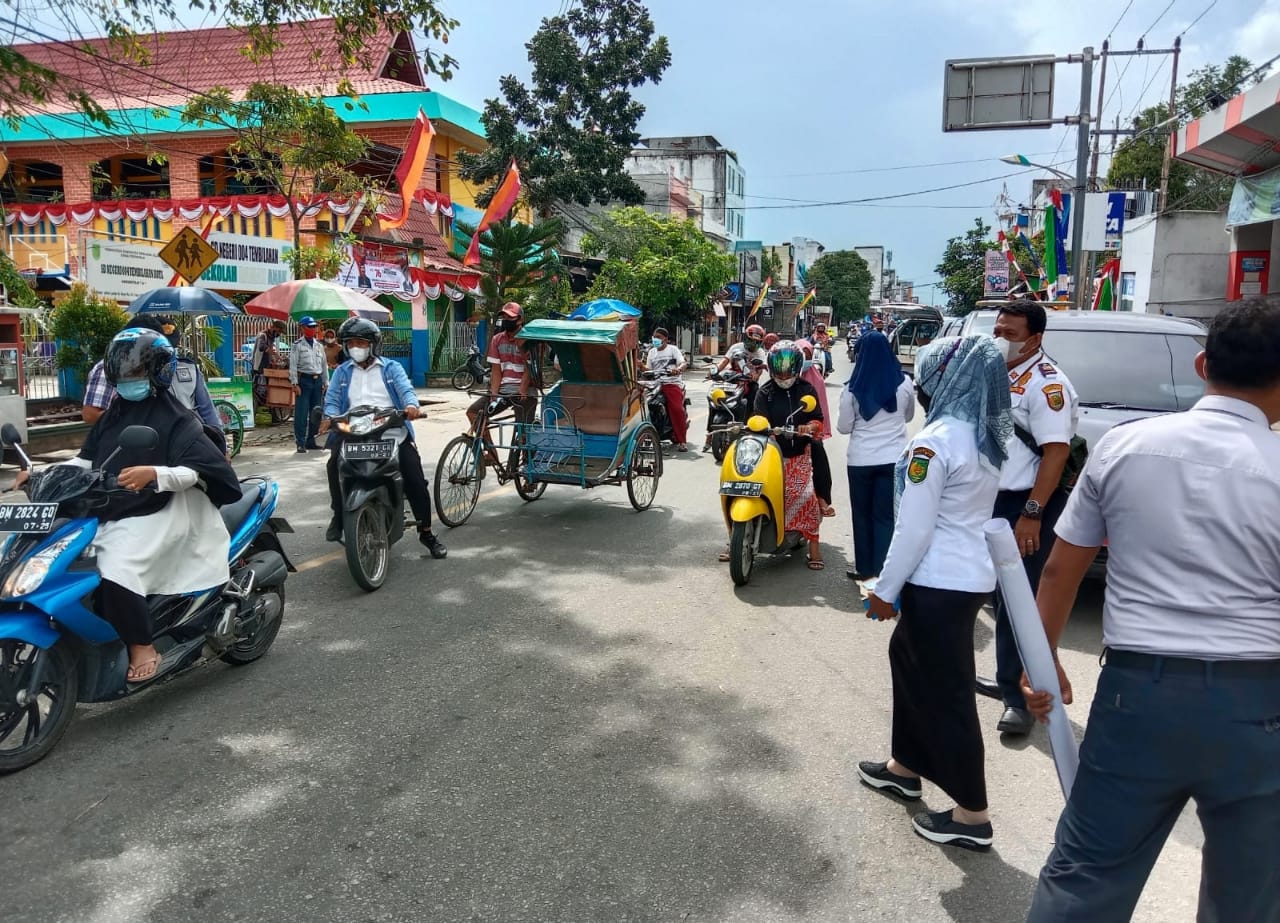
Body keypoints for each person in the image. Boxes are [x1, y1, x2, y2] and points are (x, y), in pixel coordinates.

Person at [1021, 298, 1280, 921]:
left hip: (1137, 695)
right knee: (1249, 895)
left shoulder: (1124, 447)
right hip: (1257, 707)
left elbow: (1059, 568)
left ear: (1202, 365)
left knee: (1086, 877)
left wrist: (1041, 660)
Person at [859, 335, 1012, 851]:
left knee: (948, 697)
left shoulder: (935, 442)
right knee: (911, 666)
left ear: (946, 379)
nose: (920, 385)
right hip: (965, 580)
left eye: (926, 375)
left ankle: (973, 815)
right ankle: (904, 767)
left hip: (938, 581)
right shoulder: (984, 436)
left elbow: (914, 528)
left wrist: (885, 591)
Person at [46, 328, 240, 681]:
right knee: (70, 558)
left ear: (158, 371)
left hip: (171, 509)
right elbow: (86, 460)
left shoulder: (178, 418)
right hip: (118, 505)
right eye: (121, 371)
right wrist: (43, 474)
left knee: (114, 564)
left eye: (135, 371)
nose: (127, 378)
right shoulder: (113, 415)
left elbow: (196, 471)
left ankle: (142, 645)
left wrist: (155, 473)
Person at [979, 299, 1079, 737]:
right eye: (997, 330)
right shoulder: (998, 372)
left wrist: (1032, 514)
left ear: (1034, 339)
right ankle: (1008, 679)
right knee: (1002, 600)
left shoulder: (1047, 385)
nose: (1000, 338)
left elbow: (1055, 453)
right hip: (993, 500)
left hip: (1026, 504)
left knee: (1023, 602)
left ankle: (1021, 702)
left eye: (1011, 334)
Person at [321, 317, 446, 559]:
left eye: (360, 342)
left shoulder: (391, 368)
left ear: (373, 344)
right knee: (333, 465)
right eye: (350, 343)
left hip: (391, 433)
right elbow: (332, 400)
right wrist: (329, 417)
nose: (355, 347)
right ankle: (339, 516)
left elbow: (406, 390)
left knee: (415, 478)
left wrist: (411, 406)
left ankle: (426, 532)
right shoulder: (342, 372)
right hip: (353, 434)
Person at [82, 317, 226, 455]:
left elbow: (207, 411)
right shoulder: (113, 369)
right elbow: (90, 417)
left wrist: (221, 446)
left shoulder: (188, 372)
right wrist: (128, 417)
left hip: (182, 443)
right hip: (129, 448)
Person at [836, 330, 915, 581]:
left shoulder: (851, 389)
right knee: (886, 517)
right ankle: (884, 572)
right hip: (893, 459)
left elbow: (844, 427)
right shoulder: (905, 383)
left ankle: (864, 569)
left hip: (860, 460)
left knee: (862, 515)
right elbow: (909, 416)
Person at [751, 341, 825, 568]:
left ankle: (814, 549)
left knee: (806, 497)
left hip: (798, 454)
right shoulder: (765, 392)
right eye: (779, 370)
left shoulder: (806, 390)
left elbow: (818, 420)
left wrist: (809, 427)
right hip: (770, 453)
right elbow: (757, 418)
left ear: (797, 367)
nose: (783, 375)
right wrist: (762, 428)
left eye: (788, 370)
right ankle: (736, 538)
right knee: (749, 489)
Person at [466, 303, 538, 452]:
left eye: (510, 318)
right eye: (504, 317)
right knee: (474, 412)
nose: (506, 320)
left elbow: (530, 368)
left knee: (523, 432)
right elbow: (496, 370)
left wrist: (522, 389)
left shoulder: (528, 338)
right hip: (503, 390)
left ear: (519, 320)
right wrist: (493, 394)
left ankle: (526, 458)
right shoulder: (497, 339)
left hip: (525, 391)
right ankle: (491, 453)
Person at [704, 323, 766, 452]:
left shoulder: (760, 353)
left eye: (756, 342)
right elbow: (724, 362)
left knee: (754, 397)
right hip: (732, 379)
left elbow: (759, 371)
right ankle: (709, 436)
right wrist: (714, 372)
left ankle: (749, 428)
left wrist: (754, 375)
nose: (753, 344)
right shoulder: (736, 347)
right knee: (715, 401)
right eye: (751, 340)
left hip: (748, 381)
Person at [796, 339, 836, 517]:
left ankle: (822, 497)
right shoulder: (772, 386)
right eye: (801, 356)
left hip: (805, 432)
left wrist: (810, 426)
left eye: (807, 356)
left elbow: (819, 413)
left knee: (818, 450)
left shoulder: (813, 383)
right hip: (780, 432)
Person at [645, 327, 689, 451]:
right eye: (654, 337)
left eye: (658, 337)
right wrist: (640, 366)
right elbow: (648, 370)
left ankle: (682, 441)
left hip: (671, 383)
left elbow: (683, 363)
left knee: (677, 409)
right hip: (655, 385)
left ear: (665, 339)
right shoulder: (651, 352)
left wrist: (678, 369)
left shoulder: (673, 349)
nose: (655, 339)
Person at [289, 315, 328, 453]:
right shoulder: (297, 345)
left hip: (317, 381)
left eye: (314, 326)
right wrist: (295, 384)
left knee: (315, 413)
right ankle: (300, 442)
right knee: (301, 413)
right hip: (304, 381)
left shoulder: (319, 346)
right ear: (302, 328)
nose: (313, 329)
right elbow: (293, 365)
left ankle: (311, 441)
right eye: (310, 327)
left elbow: (324, 365)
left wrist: (326, 382)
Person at [251, 320, 286, 411]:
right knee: (259, 390)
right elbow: (261, 347)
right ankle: (258, 409)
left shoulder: (271, 337)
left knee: (267, 390)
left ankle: (266, 410)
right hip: (259, 367)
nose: (279, 334)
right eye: (279, 331)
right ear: (274, 327)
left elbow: (271, 350)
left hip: (267, 368)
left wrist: (276, 357)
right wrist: (271, 352)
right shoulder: (262, 335)